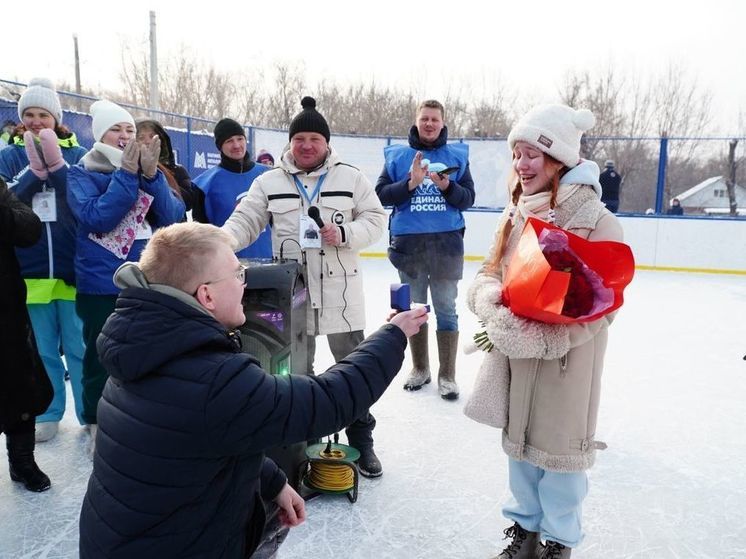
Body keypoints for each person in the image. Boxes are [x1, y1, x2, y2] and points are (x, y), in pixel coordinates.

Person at [78, 221, 427, 558]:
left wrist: (273, 481)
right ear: (207, 295)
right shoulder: (213, 381)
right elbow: (328, 401)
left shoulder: (141, 351)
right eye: (237, 273)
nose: (244, 283)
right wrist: (393, 336)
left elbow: (205, 437)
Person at [466, 104, 623, 559]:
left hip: (565, 365)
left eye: (533, 154)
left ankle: (558, 541)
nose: (522, 164)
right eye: (517, 154)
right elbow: (489, 271)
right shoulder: (515, 214)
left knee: (560, 461)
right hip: (515, 359)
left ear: (560, 160)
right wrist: (491, 305)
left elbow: (604, 305)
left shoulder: (595, 220)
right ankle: (525, 531)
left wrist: (546, 338)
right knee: (520, 452)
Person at [222, 96, 389, 477]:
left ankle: (361, 440)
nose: (307, 145)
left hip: (341, 295)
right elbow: (244, 221)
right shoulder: (269, 181)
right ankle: (305, 441)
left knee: (354, 367)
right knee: (299, 371)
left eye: (315, 138)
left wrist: (345, 232)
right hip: (291, 295)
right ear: (291, 143)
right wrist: (220, 244)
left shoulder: (350, 177)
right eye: (300, 139)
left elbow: (376, 219)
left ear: (327, 143)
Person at [67, 100, 185, 442]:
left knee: (151, 350)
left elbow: (172, 218)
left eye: (129, 129)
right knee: (101, 354)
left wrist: (151, 177)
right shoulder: (81, 172)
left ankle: (145, 413)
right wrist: (127, 175)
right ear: (100, 134)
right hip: (101, 283)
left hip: (148, 278)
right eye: (115, 129)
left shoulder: (149, 171)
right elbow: (97, 217)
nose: (124, 135)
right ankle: (96, 419)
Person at [0, 77, 87, 442]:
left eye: (44, 114)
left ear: (56, 118)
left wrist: (56, 165)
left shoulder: (78, 154)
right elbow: (6, 201)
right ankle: (50, 413)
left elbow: (83, 199)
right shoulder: (9, 155)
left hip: (70, 268)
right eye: (29, 114)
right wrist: (34, 174)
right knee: (44, 350)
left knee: (80, 348)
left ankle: (89, 413)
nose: (36, 121)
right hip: (30, 269)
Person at [376, 99, 475, 400]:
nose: (429, 124)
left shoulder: (456, 155)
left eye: (434, 119)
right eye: (424, 119)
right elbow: (381, 196)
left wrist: (447, 188)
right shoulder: (397, 157)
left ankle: (447, 375)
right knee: (414, 308)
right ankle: (420, 369)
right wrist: (410, 182)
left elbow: (467, 199)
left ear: (443, 123)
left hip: (446, 247)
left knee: (446, 309)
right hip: (410, 247)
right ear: (417, 121)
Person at [0, 177, 53, 492]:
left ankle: (22, 462)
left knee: (19, 386)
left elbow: (29, 229)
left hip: (6, 314)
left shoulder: (2, 192)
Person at [192, 118, 272, 257]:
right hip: (228, 265)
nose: (236, 145)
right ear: (220, 146)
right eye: (229, 141)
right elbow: (202, 236)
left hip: (270, 263)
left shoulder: (268, 175)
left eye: (240, 139)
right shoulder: (204, 185)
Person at [135, 118, 201, 218]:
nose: (147, 141)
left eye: (152, 136)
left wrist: (159, 176)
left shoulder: (177, 170)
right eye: (141, 137)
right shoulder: (130, 171)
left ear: (162, 140)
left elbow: (188, 203)